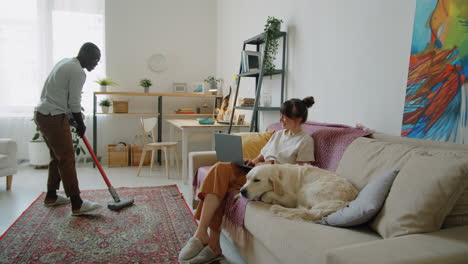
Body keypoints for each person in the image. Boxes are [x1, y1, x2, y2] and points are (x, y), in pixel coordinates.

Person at [179, 96, 316, 263]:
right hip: (256, 172)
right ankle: (203, 235)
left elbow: (302, 172)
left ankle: (209, 242)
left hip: (270, 180)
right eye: (280, 115)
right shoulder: (278, 135)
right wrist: (252, 162)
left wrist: (275, 165)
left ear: (299, 119)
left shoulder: (305, 140)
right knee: (220, 168)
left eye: (285, 116)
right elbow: (261, 156)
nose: (281, 119)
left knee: (221, 184)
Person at [34, 42, 102, 216]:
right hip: (53, 116)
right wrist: (80, 122)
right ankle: (77, 203)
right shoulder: (78, 71)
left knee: (57, 158)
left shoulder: (66, 62)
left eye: (98, 60)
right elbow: (74, 102)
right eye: (94, 59)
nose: (96, 63)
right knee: (66, 158)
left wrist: (72, 118)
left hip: (43, 113)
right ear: (84, 54)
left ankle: (51, 196)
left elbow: (59, 95)